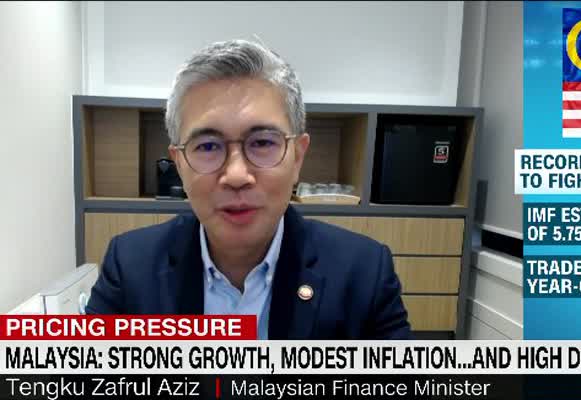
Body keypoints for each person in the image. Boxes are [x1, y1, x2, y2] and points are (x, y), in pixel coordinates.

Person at [86, 39, 413, 340]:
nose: (237, 175)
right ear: (180, 164)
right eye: (208, 146)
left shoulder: (363, 272)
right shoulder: (130, 266)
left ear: (297, 157)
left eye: (262, 143)